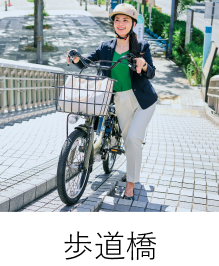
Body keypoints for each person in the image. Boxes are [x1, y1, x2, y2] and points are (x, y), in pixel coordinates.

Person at [65, 3, 158, 201]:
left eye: (125, 20)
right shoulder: (105, 47)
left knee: (133, 138)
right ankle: (128, 165)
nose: (121, 23)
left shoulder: (141, 47)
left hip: (143, 101)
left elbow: (151, 73)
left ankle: (131, 183)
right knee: (128, 140)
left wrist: (143, 65)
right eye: (117, 20)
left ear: (132, 24)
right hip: (119, 98)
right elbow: (87, 62)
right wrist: (75, 58)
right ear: (113, 24)